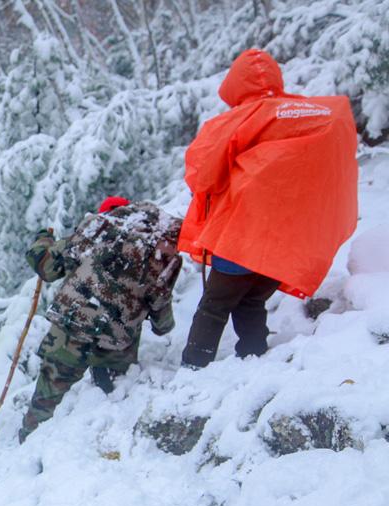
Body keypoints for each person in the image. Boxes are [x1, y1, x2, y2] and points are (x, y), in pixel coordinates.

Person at [179, 48, 358, 368]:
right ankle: (253, 355)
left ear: (234, 84)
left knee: (215, 304)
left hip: (242, 233)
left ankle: (194, 365)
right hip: (288, 241)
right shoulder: (316, 113)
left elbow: (202, 174)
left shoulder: (237, 120)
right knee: (251, 298)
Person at [19, 197, 182, 443]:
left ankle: (28, 443)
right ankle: (96, 447)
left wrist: (44, 239)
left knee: (47, 399)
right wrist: (163, 326)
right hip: (117, 341)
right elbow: (160, 303)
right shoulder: (163, 253)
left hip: (71, 327)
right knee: (110, 401)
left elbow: (46, 266)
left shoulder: (97, 230)